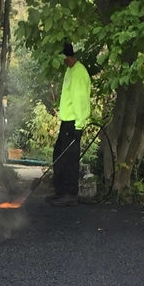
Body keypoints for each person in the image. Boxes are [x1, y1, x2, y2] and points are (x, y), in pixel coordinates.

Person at [48, 41, 92, 207]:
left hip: (74, 123)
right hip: (66, 121)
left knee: (69, 158)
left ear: (66, 56)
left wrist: (79, 126)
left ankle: (70, 194)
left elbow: (80, 100)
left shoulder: (79, 73)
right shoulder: (70, 71)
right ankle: (60, 192)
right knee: (59, 156)